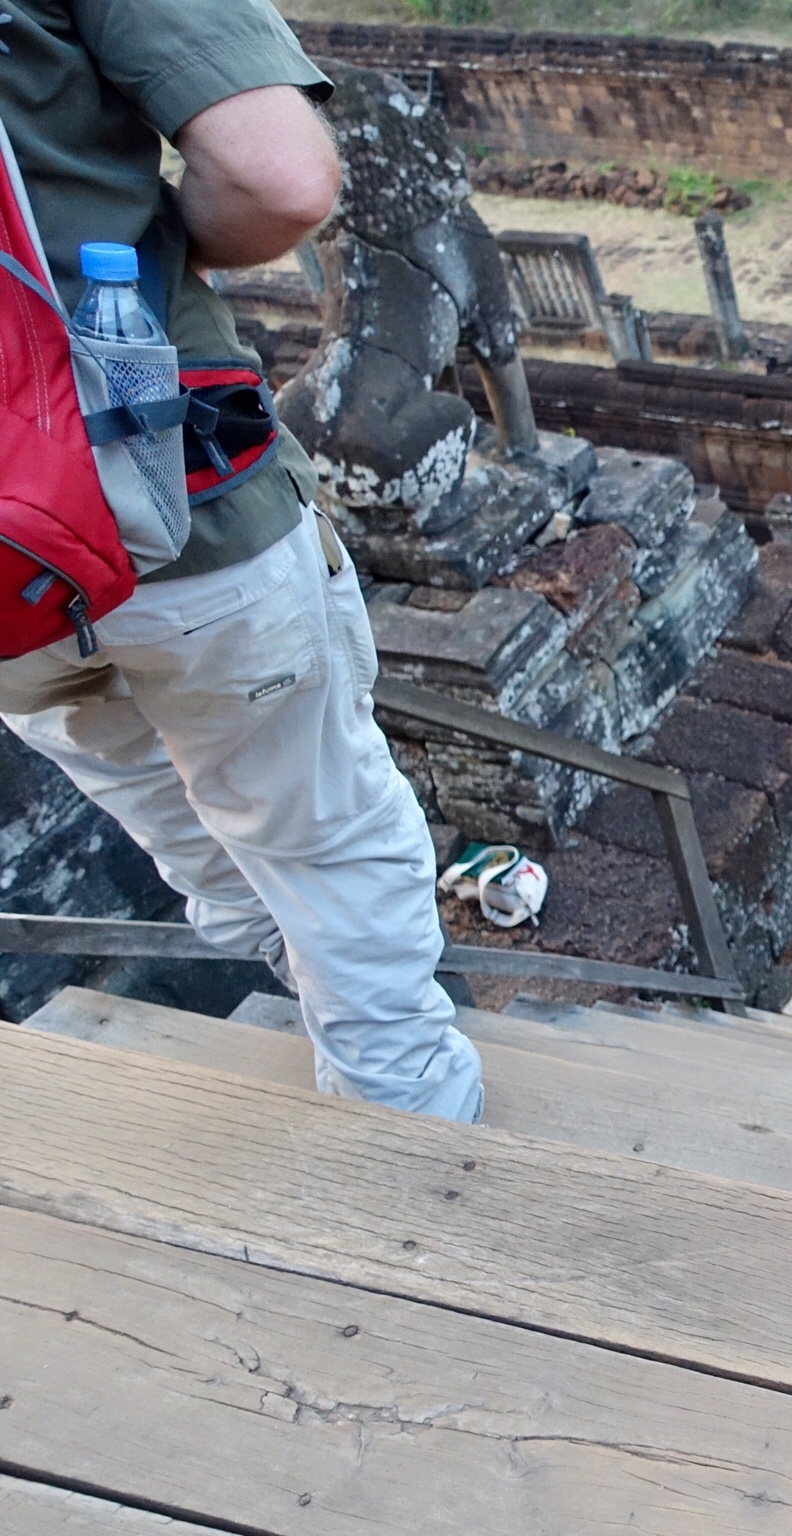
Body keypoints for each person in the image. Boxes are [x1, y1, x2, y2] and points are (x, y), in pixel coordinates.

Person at [0, 2, 485, 1121]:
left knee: (184, 819)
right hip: (175, 500)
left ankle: (309, 988)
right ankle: (409, 1126)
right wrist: (154, 241)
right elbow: (279, 176)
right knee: (322, 835)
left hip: (14, 584)